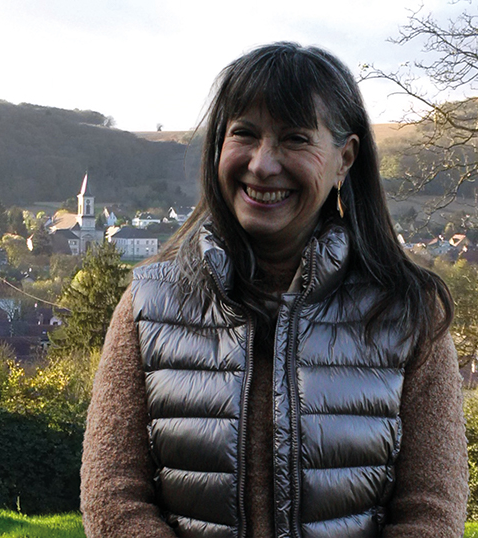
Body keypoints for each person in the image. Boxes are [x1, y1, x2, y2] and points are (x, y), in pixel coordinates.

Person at [80, 42, 468, 538]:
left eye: (295, 139)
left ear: (345, 159)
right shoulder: (150, 304)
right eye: (244, 133)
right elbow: (114, 496)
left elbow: (430, 512)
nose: (263, 164)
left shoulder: (409, 313)